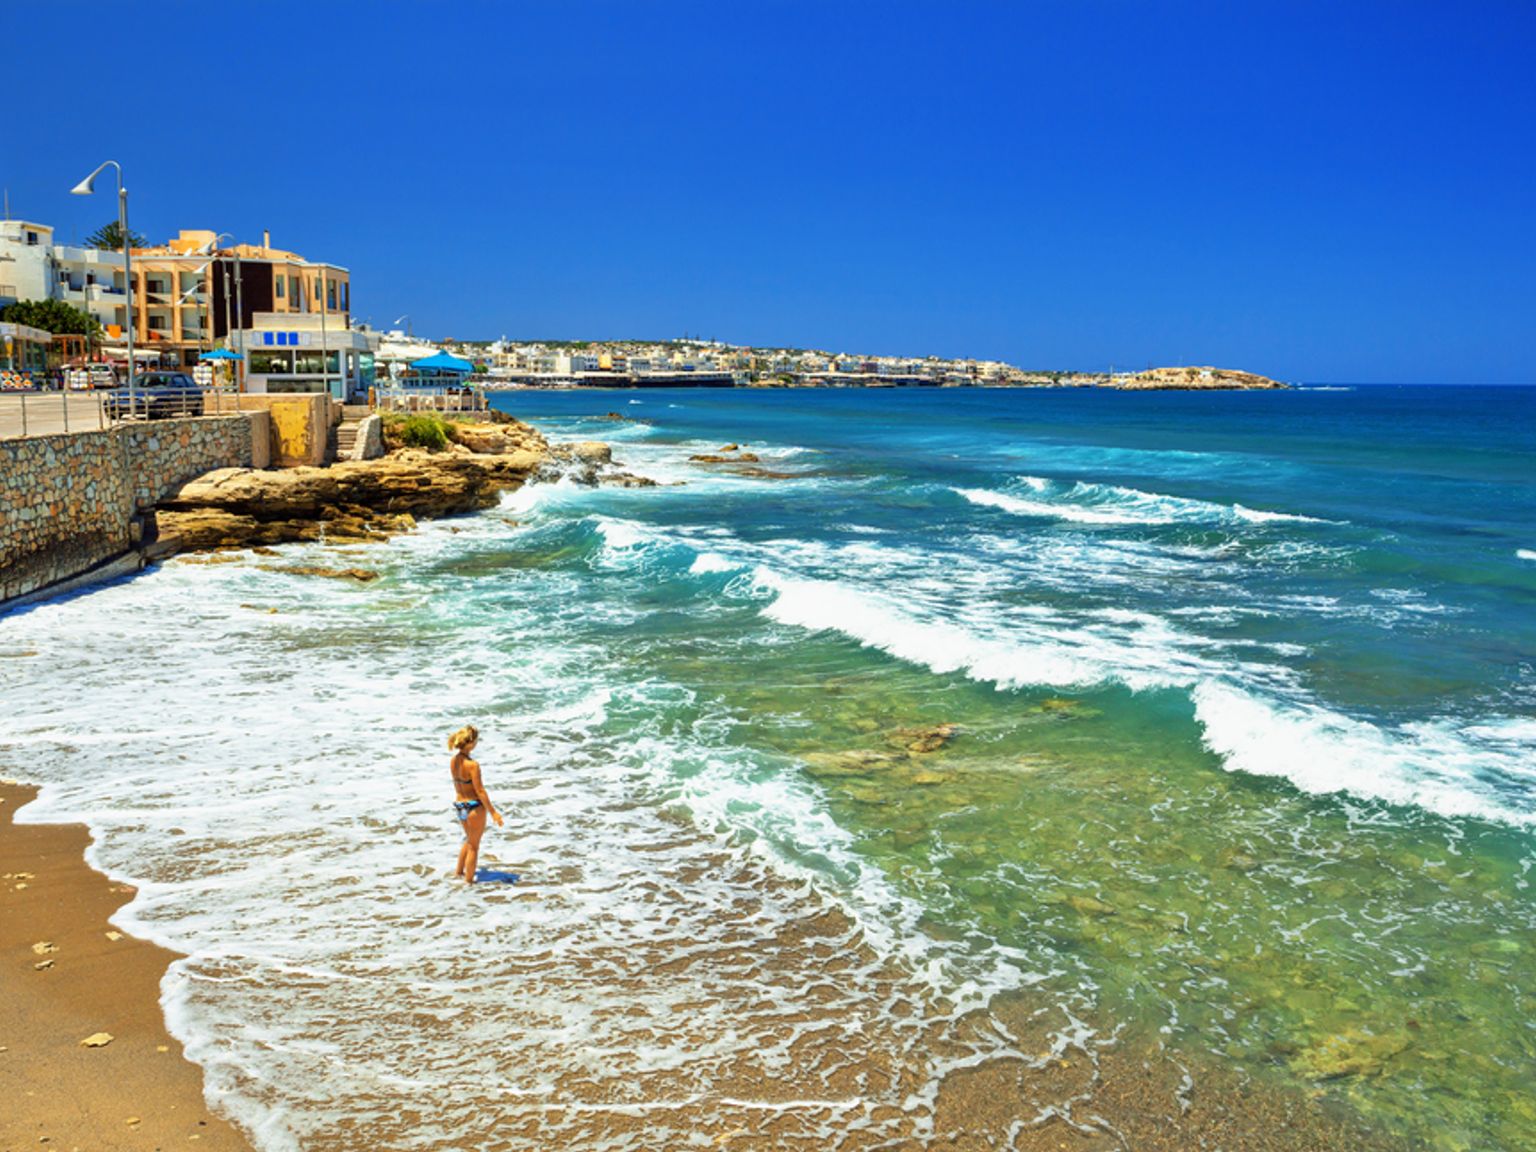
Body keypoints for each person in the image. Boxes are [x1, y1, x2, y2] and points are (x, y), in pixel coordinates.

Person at [448, 724, 502, 883]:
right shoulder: (473, 765)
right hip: (473, 807)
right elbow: (480, 791)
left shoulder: (454, 760)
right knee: (474, 846)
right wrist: (493, 812)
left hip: (460, 805)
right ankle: (469, 884)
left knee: (468, 839)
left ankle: (458, 873)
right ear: (470, 743)